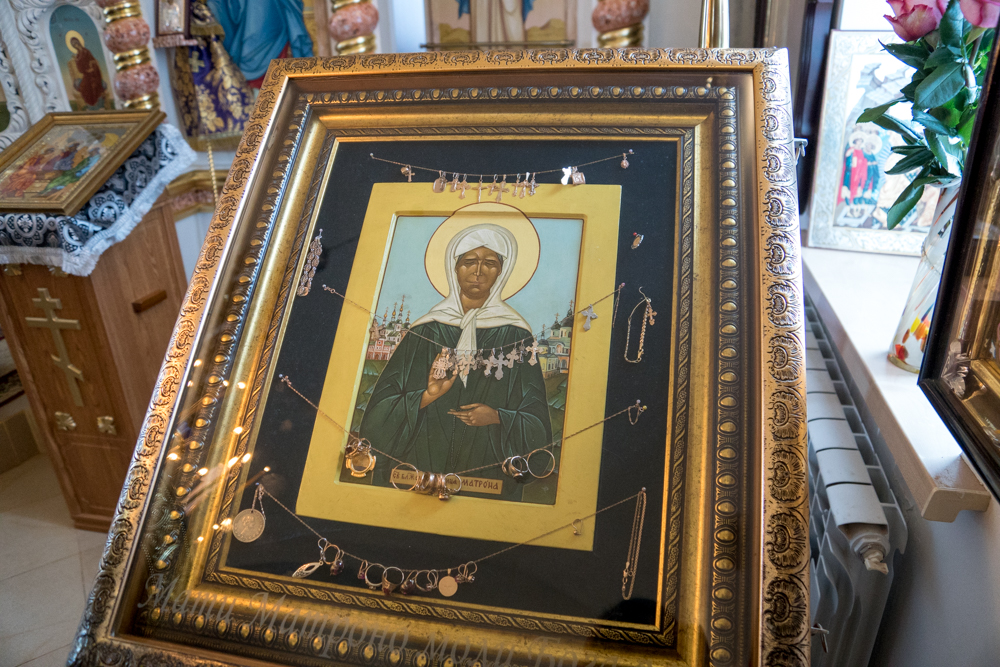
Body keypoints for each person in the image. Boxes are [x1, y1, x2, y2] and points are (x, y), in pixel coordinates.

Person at [360, 222, 551, 500]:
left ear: (502, 271)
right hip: (418, 463)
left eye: (490, 263)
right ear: (455, 267)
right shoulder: (425, 330)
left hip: (487, 470)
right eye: (469, 261)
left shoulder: (516, 335)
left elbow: (537, 422)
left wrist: (497, 417)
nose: (478, 271)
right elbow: (377, 414)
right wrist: (427, 396)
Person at [67, 35, 106, 108]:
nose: (75, 45)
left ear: (79, 43)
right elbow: (80, 68)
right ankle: (90, 105)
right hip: (86, 74)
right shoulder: (78, 55)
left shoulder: (86, 51)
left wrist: (91, 68)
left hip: (94, 74)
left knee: (93, 85)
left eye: (75, 43)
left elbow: (93, 61)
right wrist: (77, 61)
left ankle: (96, 104)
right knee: (84, 87)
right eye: (73, 45)